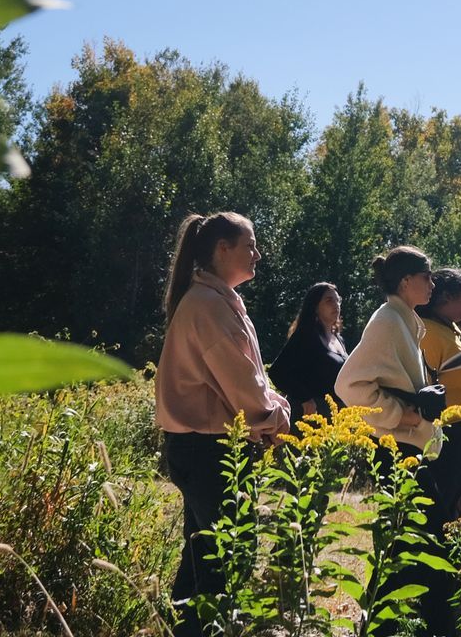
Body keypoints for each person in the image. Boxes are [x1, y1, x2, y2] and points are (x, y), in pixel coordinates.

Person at [154, 212, 292, 637]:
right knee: (228, 555)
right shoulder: (209, 305)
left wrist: (271, 405)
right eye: (250, 245)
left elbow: (248, 378)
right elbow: (242, 383)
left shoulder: (216, 300)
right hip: (208, 450)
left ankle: (183, 629)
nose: (258, 253)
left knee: (204, 555)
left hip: (206, 447)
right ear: (222, 249)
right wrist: (275, 417)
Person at [336, 247, 442, 632]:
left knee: (412, 542)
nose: (432, 283)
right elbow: (349, 385)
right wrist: (404, 414)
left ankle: (406, 624)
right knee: (409, 543)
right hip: (396, 451)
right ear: (405, 281)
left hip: (411, 448)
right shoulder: (387, 321)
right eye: (426, 275)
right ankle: (396, 625)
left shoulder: (405, 321)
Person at [415, 269, 461, 526]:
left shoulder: (450, 328)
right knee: (441, 500)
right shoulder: (430, 334)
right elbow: (425, 384)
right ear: (446, 298)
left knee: (452, 503)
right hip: (453, 434)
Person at [269, 282, 347, 421]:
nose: (336, 305)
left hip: (335, 417)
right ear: (315, 307)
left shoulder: (338, 339)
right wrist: (305, 398)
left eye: (338, 300)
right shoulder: (306, 336)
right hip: (309, 417)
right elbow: (277, 372)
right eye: (329, 300)